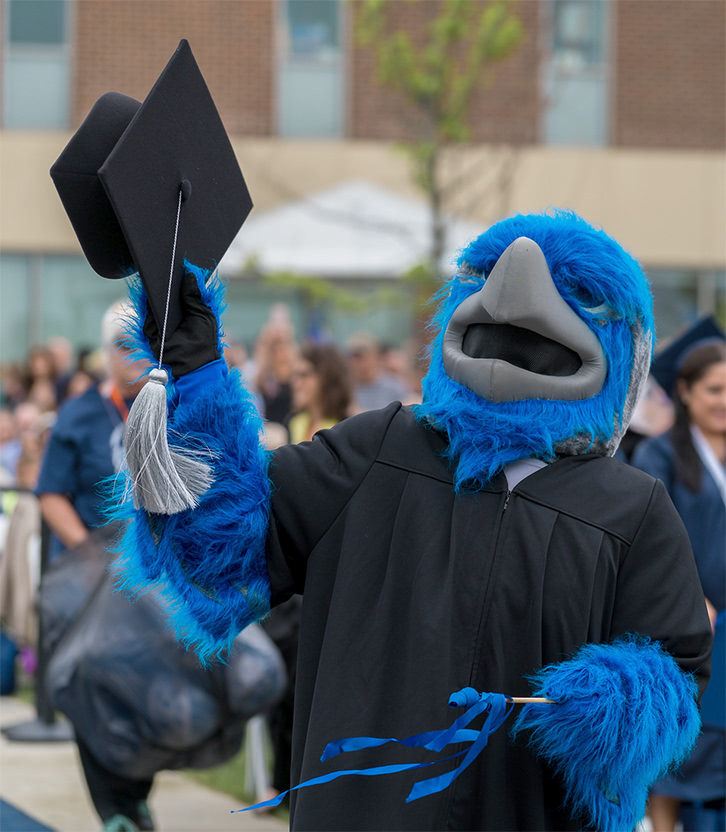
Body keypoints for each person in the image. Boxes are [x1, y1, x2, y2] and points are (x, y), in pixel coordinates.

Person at [112, 212, 711, 832]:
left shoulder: (631, 508)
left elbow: (678, 666)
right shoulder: (378, 453)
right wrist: (198, 379)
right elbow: (224, 541)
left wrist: (616, 703)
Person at [36, 302, 156, 831]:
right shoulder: (81, 413)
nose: (133, 356)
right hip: (91, 585)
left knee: (149, 692)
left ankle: (135, 793)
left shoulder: (168, 405)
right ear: (106, 353)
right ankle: (115, 810)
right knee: (93, 691)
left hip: (151, 583)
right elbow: (51, 495)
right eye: (123, 346)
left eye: (140, 344)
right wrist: (88, 551)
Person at [632, 331, 726, 832]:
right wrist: (695, 600)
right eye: (714, 389)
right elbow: (656, 538)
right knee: (682, 745)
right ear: (685, 391)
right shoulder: (659, 457)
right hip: (693, 622)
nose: (724, 401)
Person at [261, 341, 353, 807]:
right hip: (295, 572)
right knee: (281, 682)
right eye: (293, 376)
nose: (294, 383)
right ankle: (282, 783)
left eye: (304, 376)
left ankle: (305, 787)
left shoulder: (354, 429)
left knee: (310, 687)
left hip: (330, 575)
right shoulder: (296, 425)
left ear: (326, 379)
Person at [347, 332, 410, 412]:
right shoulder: (348, 389)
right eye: (353, 358)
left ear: (375, 356)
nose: (357, 364)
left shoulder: (394, 386)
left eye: (361, 358)